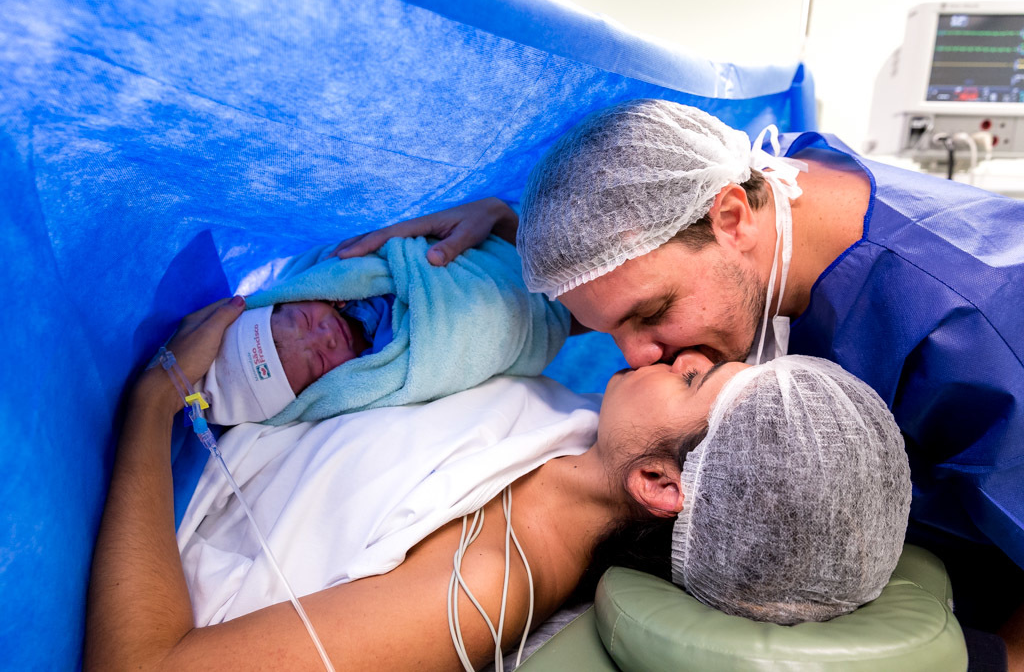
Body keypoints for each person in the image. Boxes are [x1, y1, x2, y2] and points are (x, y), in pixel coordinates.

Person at [337, 99, 1024, 668]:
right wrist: (522, 235)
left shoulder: (973, 339)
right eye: (606, 327)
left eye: (651, 313)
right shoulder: (752, 177)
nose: (637, 358)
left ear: (732, 218)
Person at [85, 296, 910, 670]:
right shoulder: (580, 430)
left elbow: (146, 666)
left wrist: (154, 403)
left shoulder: (482, 583)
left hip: (140, 509)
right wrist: (497, 220)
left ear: (660, 482)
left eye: (696, 378)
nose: (684, 354)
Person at [199, 233, 570, 425]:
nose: (325, 335)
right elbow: (458, 337)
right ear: (317, 392)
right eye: (319, 361)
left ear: (287, 297)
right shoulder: (382, 368)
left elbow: (394, 250)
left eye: (304, 320)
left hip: (499, 254)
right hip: (525, 310)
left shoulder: (332, 272)